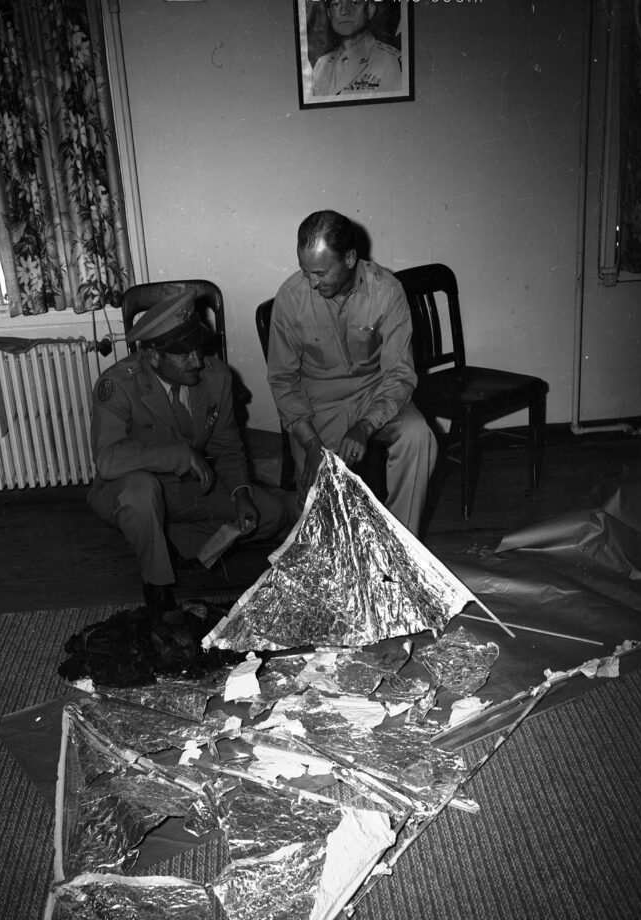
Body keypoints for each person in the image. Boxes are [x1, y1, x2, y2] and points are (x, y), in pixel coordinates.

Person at [88, 289, 288, 617]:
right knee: (140, 493)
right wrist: (178, 455)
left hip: (191, 491)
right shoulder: (118, 385)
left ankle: (172, 543)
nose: (197, 360)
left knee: (270, 514)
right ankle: (157, 584)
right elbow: (108, 459)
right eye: (184, 354)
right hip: (134, 489)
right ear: (153, 356)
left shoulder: (217, 377)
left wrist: (240, 493)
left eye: (198, 348)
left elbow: (227, 446)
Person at [267, 210, 436, 536]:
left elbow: (400, 374)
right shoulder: (291, 297)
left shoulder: (386, 290)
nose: (312, 283)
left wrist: (367, 423)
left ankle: (401, 546)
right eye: (305, 271)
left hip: (375, 391)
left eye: (320, 272)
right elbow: (283, 381)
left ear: (350, 258)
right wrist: (311, 444)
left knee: (418, 435)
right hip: (318, 402)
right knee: (319, 516)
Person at [311, 0, 402, 97]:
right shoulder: (322, 64)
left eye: (354, 2)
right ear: (329, 14)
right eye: (336, 4)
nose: (343, 11)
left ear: (370, 10)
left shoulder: (392, 62)